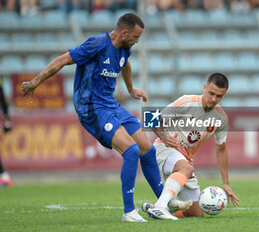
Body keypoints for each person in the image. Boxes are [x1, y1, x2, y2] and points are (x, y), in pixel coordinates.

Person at [21, 13, 176, 222]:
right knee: (131, 151)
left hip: (110, 104)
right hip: (91, 107)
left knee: (147, 149)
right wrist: (34, 83)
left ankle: (162, 204)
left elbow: (125, 64)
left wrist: (131, 89)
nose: (138, 41)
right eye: (136, 36)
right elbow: (62, 60)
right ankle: (129, 212)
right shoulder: (97, 44)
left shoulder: (124, 48)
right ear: (123, 32)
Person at [143, 73, 240, 220]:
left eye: (219, 96)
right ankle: (160, 207)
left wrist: (225, 183)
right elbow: (151, 118)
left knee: (195, 213)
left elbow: (221, 149)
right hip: (165, 148)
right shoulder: (187, 102)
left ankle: (158, 208)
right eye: (211, 93)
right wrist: (164, 137)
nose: (214, 99)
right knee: (187, 168)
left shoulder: (221, 118)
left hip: (185, 159)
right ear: (204, 88)